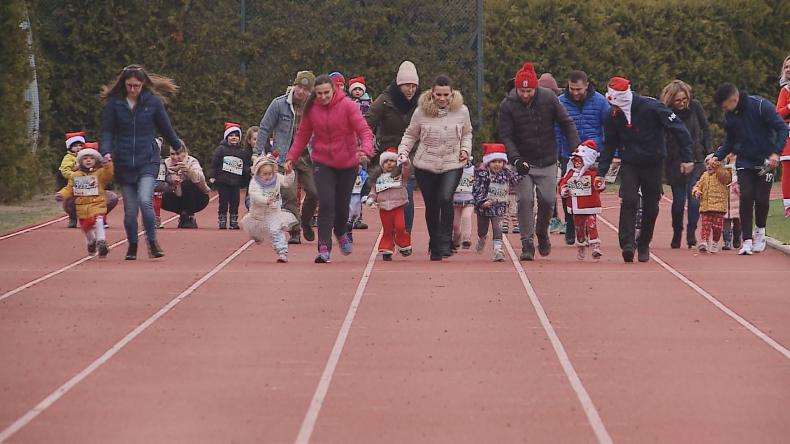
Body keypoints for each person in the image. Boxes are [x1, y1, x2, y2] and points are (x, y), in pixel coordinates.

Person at [598, 77, 694, 263]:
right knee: (629, 200)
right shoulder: (612, 116)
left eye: (615, 104)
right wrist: (601, 173)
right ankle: (627, 245)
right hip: (630, 163)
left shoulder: (652, 107)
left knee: (651, 205)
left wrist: (687, 157)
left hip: (653, 162)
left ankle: (643, 243)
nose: (613, 109)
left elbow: (679, 129)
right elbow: (609, 145)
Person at [285, 75, 373, 263]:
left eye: (326, 93)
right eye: (319, 94)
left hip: (348, 163)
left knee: (342, 206)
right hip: (323, 162)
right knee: (325, 203)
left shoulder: (348, 106)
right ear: (315, 94)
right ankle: (323, 247)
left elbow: (364, 131)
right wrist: (291, 158)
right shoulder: (312, 109)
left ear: (334, 90)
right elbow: (302, 136)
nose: (323, 97)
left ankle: (340, 231)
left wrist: (365, 150)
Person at [498, 62, 580, 261]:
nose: (525, 94)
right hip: (523, 161)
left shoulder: (549, 98)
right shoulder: (507, 105)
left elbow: (566, 123)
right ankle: (527, 243)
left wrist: (577, 149)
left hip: (548, 159)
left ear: (536, 88)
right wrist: (516, 159)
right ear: (516, 88)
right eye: (521, 90)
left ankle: (542, 232)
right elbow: (506, 136)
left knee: (548, 200)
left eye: (529, 90)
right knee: (525, 200)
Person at [100, 64, 181, 260]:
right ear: (123, 84)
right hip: (125, 162)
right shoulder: (114, 104)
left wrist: (177, 145)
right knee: (129, 211)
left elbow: (165, 127)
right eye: (129, 85)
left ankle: (152, 242)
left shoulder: (152, 102)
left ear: (143, 84)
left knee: (146, 201)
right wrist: (106, 152)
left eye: (136, 85)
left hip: (147, 160)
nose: (133, 89)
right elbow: (108, 131)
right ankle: (132, 245)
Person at [398, 74, 473, 261]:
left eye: (445, 95)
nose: (442, 98)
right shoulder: (421, 112)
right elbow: (410, 135)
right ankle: (435, 242)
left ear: (451, 94)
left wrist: (465, 149)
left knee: (446, 198)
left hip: (452, 162)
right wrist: (403, 152)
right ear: (432, 93)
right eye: (438, 94)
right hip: (426, 164)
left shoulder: (462, 111)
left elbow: (467, 134)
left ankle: (446, 241)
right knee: (431, 205)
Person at [711, 83, 788, 255]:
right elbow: (729, 140)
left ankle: (760, 231)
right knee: (745, 197)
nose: (724, 110)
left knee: (761, 199)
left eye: (725, 106)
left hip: (766, 161)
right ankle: (746, 240)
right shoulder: (730, 116)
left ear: (733, 99)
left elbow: (782, 128)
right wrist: (717, 156)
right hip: (744, 161)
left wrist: (776, 152)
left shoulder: (761, 106)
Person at [254, 71, 318, 244]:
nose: (301, 91)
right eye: (299, 86)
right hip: (284, 157)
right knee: (290, 195)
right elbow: (265, 127)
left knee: (314, 192)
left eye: (306, 89)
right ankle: (295, 230)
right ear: (294, 85)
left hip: (307, 157)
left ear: (311, 91)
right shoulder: (279, 104)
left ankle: (305, 220)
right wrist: (256, 152)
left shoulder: (315, 107)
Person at [555, 70, 611, 245]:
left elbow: (609, 128)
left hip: (594, 153)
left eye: (578, 89)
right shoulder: (561, 102)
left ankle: (588, 225)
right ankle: (571, 223)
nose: (575, 92)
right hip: (569, 153)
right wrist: (557, 152)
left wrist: (607, 150)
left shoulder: (601, 102)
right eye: (572, 88)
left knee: (589, 189)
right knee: (569, 188)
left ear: (586, 85)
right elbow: (556, 129)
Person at [365, 61, 421, 233]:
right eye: (406, 86)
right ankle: (390, 230)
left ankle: (406, 233)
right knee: (388, 194)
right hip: (388, 154)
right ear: (398, 85)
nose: (410, 90)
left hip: (411, 152)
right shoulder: (384, 101)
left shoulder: (422, 102)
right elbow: (366, 123)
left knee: (407, 189)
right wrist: (365, 144)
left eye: (413, 86)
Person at [661, 80, 712, 249]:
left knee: (694, 199)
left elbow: (706, 129)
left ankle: (691, 233)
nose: (682, 103)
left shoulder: (695, 107)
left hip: (696, 159)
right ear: (670, 101)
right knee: (678, 201)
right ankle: (677, 231)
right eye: (678, 100)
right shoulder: (665, 113)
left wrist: (709, 152)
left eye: (685, 99)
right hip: (674, 161)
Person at [55, 143, 114, 258]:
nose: (88, 161)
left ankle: (101, 242)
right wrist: (61, 195)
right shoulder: (75, 175)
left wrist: (108, 164)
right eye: (85, 158)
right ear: (80, 161)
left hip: (97, 203)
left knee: (98, 220)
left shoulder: (100, 173)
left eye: (91, 158)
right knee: (86, 227)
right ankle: (91, 241)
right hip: (82, 206)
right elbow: (69, 189)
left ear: (96, 160)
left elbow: (109, 174)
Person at [240, 155, 298, 263]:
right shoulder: (255, 182)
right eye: (265, 174)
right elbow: (254, 194)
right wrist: (265, 200)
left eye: (270, 173)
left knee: (276, 230)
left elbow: (287, 182)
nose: (268, 176)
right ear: (258, 173)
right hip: (258, 213)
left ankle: (282, 251)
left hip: (273, 212)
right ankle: (257, 236)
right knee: (254, 229)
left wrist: (289, 173)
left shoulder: (276, 178)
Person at [473, 143, 522, 262]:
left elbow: (515, 180)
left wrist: (523, 172)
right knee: (482, 230)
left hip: (499, 207)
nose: (497, 165)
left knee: (498, 227)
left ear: (504, 162)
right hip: (484, 207)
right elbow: (477, 188)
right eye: (494, 162)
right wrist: (481, 202)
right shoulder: (482, 173)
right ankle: (482, 238)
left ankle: (498, 250)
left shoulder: (506, 172)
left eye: (500, 162)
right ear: (488, 162)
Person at [559, 141, 606, 261]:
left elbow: (599, 186)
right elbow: (563, 184)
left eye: (580, 161)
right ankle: (581, 245)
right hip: (576, 207)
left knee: (591, 224)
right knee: (579, 228)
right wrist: (564, 191)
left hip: (590, 205)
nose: (577, 163)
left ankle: (595, 246)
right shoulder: (570, 173)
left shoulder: (593, 174)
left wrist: (600, 185)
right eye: (575, 161)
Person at [60, 132, 119, 229]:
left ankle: (100, 217)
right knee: (69, 200)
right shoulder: (71, 162)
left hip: (95, 194)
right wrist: (78, 176)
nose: (88, 160)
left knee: (112, 198)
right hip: (78, 191)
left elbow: (107, 173)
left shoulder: (97, 164)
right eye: (75, 146)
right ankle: (73, 217)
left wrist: (107, 164)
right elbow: (66, 174)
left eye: (80, 145)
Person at [365, 148, 413, 261]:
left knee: (400, 226)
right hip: (384, 208)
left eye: (392, 161)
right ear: (382, 165)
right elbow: (374, 191)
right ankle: (386, 248)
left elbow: (407, 170)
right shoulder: (378, 179)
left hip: (398, 206)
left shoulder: (401, 176)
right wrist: (371, 199)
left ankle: (404, 244)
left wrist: (406, 162)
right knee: (387, 229)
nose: (389, 164)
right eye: (386, 162)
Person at [209, 123, 251, 230]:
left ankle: (233, 220)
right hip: (223, 181)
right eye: (231, 135)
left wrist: (247, 178)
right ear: (226, 137)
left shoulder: (241, 152)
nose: (234, 137)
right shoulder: (221, 150)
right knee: (223, 201)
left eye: (236, 136)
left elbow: (244, 166)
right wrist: (212, 176)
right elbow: (214, 163)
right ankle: (222, 219)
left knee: (235, 202)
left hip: (236, 182)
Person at [160, 141, 210, 227]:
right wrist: (170, 180)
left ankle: (189, 216)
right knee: (157, 192)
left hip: (198, 199)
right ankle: (156, 218)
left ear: (185, 153)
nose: (175, 157)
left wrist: (188, 172)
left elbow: (201, 182)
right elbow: (159, 185)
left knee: (187, 183)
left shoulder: (192, 162)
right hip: (175, 197)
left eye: (178, 154)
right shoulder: (165, 164)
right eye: (172, 154)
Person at [692, 155, 732, 254]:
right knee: (705, 225)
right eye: (707, 164)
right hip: (706, 207)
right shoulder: (704, 176)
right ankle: (704, 242)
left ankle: (715, 242)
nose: (709, 166)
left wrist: (718, 166)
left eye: (712, 164)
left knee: (717, 228)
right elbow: (697, 186)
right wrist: (696, 191)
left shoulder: (723, 175)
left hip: (719, 208)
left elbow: (726, 178)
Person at [776, 54, 790, 217]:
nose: (788, 69)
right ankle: (788, 205)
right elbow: (778, 114)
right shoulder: (784, 91)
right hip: (788, 138)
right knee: (787, 171)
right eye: (786, 67)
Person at [452, 158, 475, 250]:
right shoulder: (452, 170)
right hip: (455, 200)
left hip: (469, 199)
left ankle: (466, 239)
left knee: (466, 216)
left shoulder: (474, 169)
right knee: (455, 224)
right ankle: (456, 238)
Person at [722, 154, 742, 250]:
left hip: (738, 196)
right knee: (726, 219)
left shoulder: (742, 165)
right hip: (726, 196)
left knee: (737, 219)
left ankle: (737, 238)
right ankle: (726, 241)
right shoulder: (724, 167)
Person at [347, 166, 368, 240]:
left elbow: (366, 186)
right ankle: (345, 231)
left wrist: (364, 196)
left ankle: (349, 229)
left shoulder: (363, 174)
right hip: (344, 195)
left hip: (356, 195)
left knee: (354, 214)